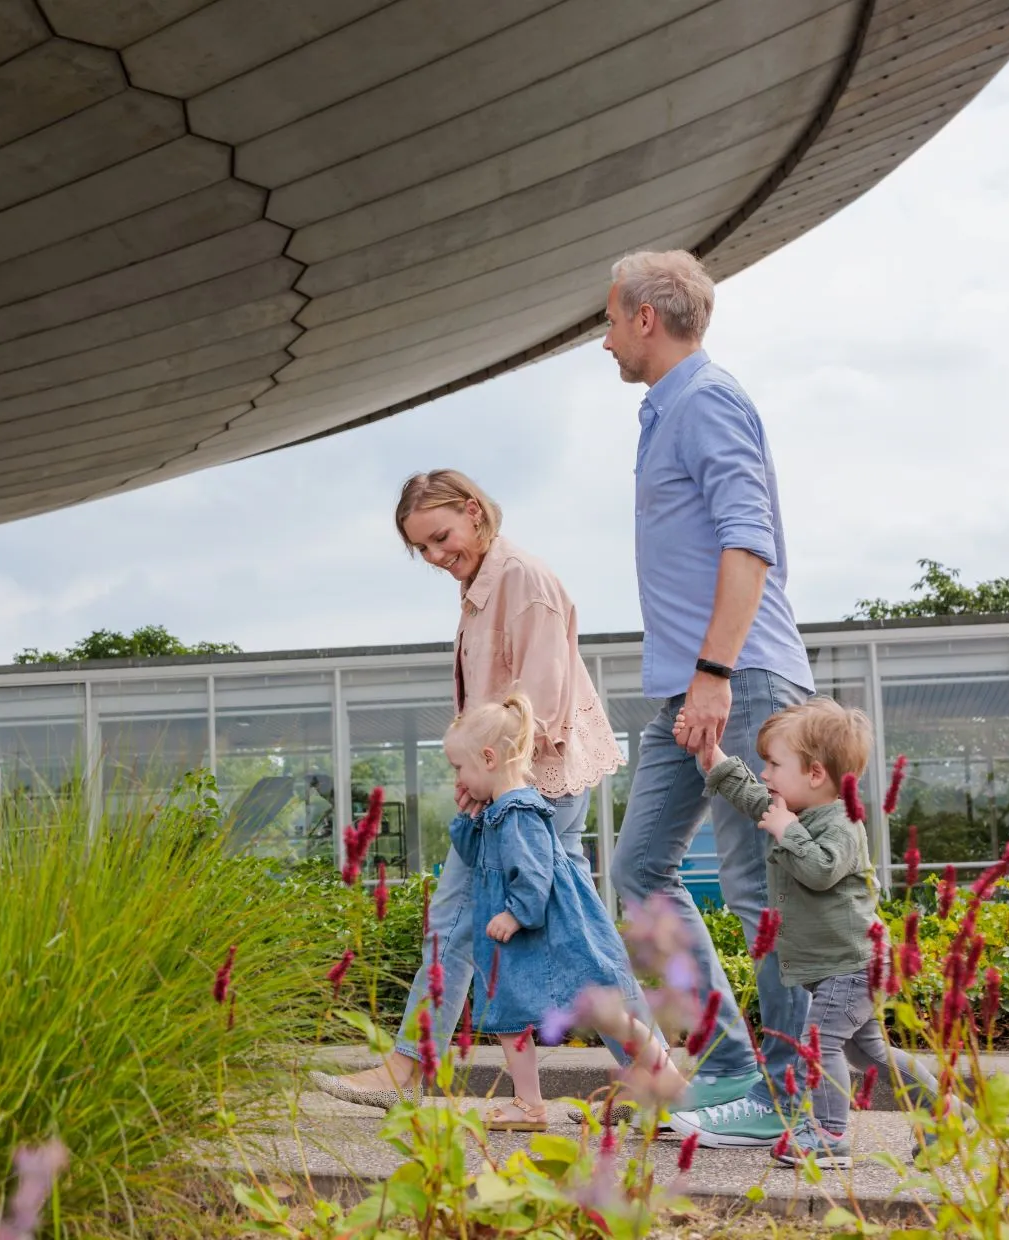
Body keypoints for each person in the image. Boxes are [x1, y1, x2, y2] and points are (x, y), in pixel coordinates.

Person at [309, 470, 622, 1108]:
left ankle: (407, 1070)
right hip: (518, 782)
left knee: (462, 923)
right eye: (421, 549)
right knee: (574, 932)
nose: (434, 556)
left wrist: (489, 783)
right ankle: (662, 1073)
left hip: (529, 785)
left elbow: (537, 702)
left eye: (439, 537)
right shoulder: (485, 584)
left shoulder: (521, 582)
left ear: (474, 510)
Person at [601, 249, 817, 1146]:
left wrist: (716, 676)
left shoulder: (706, 398)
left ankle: (787, 1095)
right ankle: (730, 1063)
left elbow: (747, 540)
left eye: (609, 318)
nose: (602, 336)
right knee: (639, 868)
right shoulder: (665, 412)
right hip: (685, 687)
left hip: (740, 678)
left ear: (645, 317)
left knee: (757, 884)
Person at [682, 699, 958, 1166]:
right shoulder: (796, 808)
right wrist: (715, 761)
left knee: (820, 1043)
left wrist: (788, 832)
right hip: (843, 967)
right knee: (869, 1052)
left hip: (856, 965)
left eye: (773, 764)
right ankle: (944, 1111)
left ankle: (829, 1136)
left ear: (814, 774)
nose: (765, 774)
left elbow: (821, 870)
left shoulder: (842, 823)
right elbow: (754, 799)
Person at [442, 695, 684, 1130]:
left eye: (459, 768)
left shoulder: (520, 813)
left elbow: (535, 876)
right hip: (525, 940)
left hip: (552, 934)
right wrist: (467, 818)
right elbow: (481, 857)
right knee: (510, 1017)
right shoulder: (498, 812)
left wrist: (517, 914)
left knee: (603, 1009)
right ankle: (529, 1104)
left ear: (489, 757)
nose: (457, 778)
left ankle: (670, 1084)